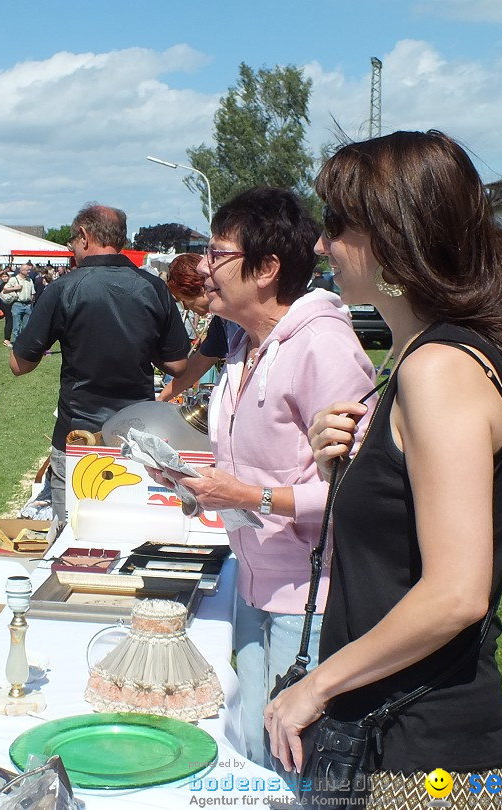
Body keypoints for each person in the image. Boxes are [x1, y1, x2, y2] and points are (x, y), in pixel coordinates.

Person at [265, 131, 502, 798]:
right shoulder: (422, 358)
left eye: (337, 225)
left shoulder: (440, 368)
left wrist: (315, 687)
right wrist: (346, 472)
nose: (318, 244)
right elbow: (399, 549)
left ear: (394, 239)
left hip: (423, 765)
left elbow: (455, 593)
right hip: (397, 739)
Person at [156, 189, 375, 766]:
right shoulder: (242, 344)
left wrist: (247, 495)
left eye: (217, 251)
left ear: (267, 269)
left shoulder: (322, 347)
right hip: (253, 582)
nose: (204, 266)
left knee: (292, 763)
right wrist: (191, 478)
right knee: (255, 746)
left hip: (309, 597)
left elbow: (356, 493)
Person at [10, 203, 190, 522]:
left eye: (71, 241)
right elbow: (177, 365)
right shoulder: (153, 287)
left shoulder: (63, 288)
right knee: (131, 527)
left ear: (84, 235)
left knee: (72, 530)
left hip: (78, 432)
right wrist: (140, 342)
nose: (72, 249)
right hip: (135, 433)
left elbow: (19, 364)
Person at [157, 252, 228, 402]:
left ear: (201, 289)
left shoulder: (233, 319)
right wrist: (159, 400)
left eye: (184, 300)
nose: (185, 307)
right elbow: (196, 367)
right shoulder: (221, 323)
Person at [4, 262, 36, 342]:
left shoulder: (30, 280)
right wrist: (15, 288)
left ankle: (23, 343)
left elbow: (33, 293)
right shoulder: (14, 279)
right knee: (16, 326)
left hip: (27, 305)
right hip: (17, 304)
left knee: (26, 327)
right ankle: (16, 343)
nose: (29, 272)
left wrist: (31, 300)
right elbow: (5, 289)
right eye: (27, 270)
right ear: (22, 270)